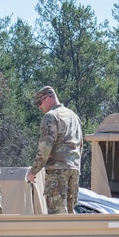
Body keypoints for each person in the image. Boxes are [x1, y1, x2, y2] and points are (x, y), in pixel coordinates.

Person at [26, 86, 83, 214]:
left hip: (57, 171)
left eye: (40, 103)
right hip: (74, 170)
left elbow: (45, 147)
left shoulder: (50, 117)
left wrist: (33, 171)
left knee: (57, 215)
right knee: (70, 212)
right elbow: (80, 145)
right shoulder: (74, 116)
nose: (40, 107)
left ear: (48, 99)